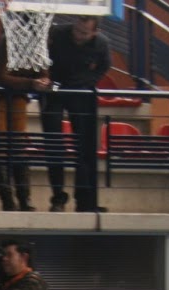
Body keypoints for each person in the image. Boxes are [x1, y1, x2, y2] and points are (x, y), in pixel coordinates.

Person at [42, 15, 106, 213]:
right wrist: (46, 78)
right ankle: (58, 198)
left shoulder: (101, 43)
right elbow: (42, 59)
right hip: (55, 89)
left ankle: (85, 201)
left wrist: (88, 81)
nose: (78, 35)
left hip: (80, 91)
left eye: (84, 33)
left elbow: (104, 67)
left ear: (94, 32)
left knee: (85, 147)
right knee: (53, 144)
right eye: (77, 30)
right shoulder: (59, 34)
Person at [0, 33, 49, 212]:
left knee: (18, 145)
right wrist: (31, 83)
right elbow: (1, 76)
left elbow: (44, 73)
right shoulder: (7, 42)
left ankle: (25, 199)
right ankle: (7, 200)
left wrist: (44, 81)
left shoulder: (41, 45)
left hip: (18, 93)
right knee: (0, 146)